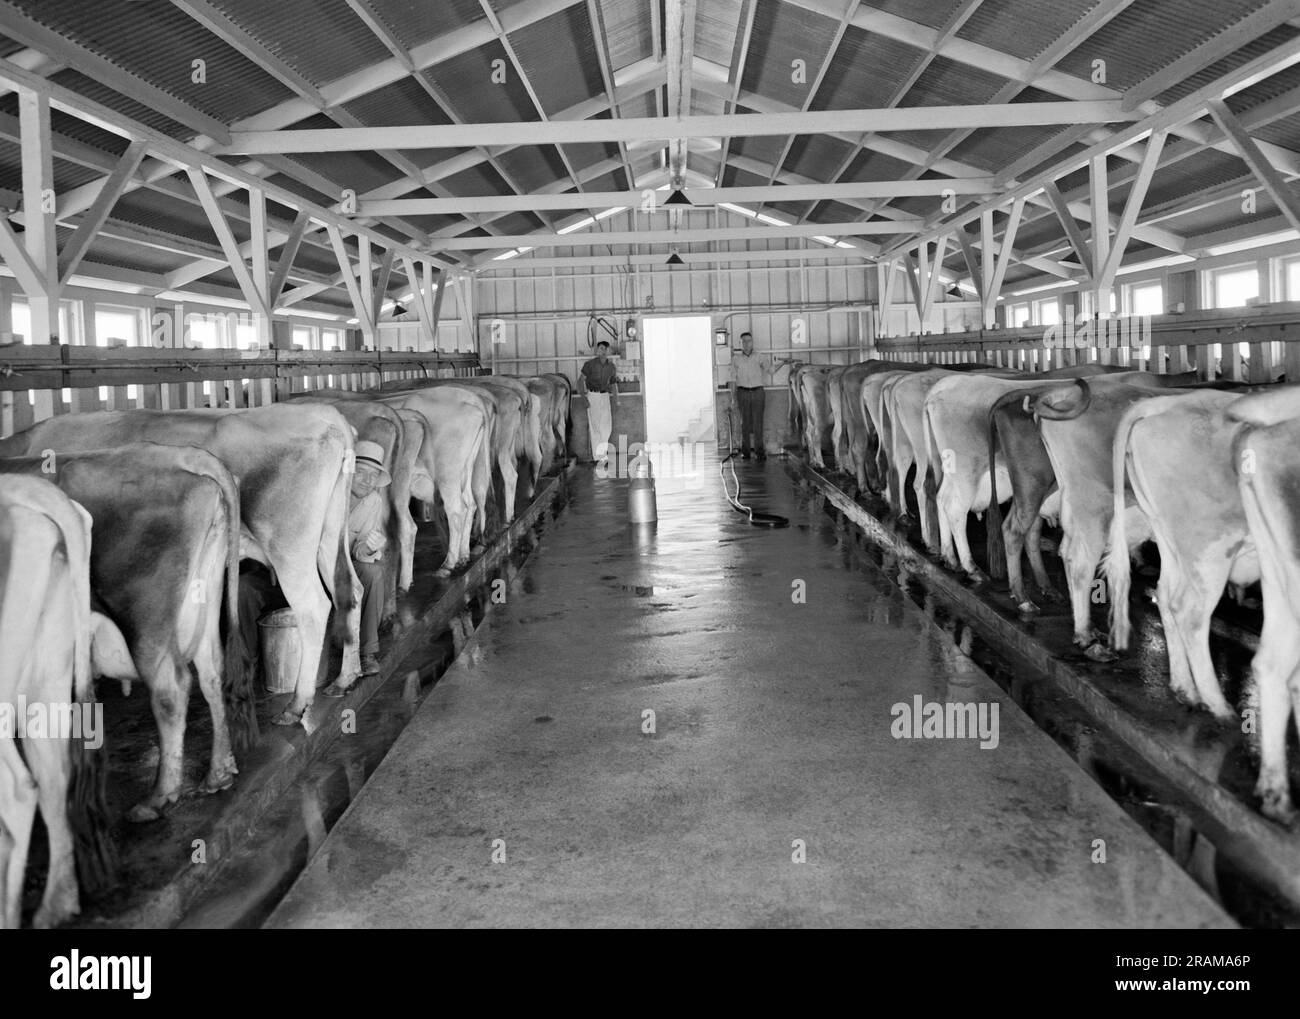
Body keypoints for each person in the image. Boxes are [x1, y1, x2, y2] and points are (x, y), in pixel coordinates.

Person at [344, 440, 392, 681]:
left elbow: (359, 549)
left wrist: (370, 548)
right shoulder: (329, 493)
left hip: (342, 565)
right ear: (348, 471)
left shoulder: (373, 500)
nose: (367, 480)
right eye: (361, 473)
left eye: (373, 476)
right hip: (313, 564)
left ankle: (367, 653)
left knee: (373, 572)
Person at [730, 331, 770, 460]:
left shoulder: (760, 357)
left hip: (758, 391)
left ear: (752, 342)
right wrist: (732, 398)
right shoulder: (736, 359)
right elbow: (732, 379)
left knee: (758, 422)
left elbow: (771, 370)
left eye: (749, 341)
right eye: (744, 341)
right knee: (744, 423)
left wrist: (784, 363)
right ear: (740, 343)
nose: (747, 344)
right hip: (742, 392)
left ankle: (759, 451)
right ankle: (745, 452)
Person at [579, 340, 619, 467]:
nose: (603, 351)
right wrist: (583, 398)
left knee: (606, 427)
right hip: (593, 396)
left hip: (605, 396)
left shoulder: (611, 367)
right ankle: (599, 458)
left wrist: (615, 400)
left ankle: (603, 455)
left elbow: (613, 385)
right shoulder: (589, 365)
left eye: (605, 349)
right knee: (595, 426)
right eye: (601, 349)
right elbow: (580, 381)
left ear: (608, 351)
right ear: (597, 350)